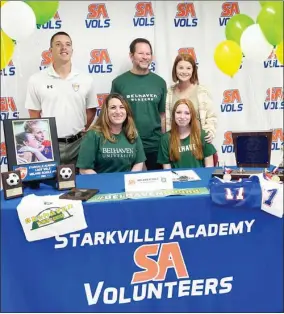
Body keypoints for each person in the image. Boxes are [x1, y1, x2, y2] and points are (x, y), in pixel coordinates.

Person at [24, 31, 97, 166]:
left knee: (80, 185)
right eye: (58, 44)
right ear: (50, 51)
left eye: (67, 44)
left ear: (72, 50)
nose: (64, 47)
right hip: (49, 146)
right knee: (50, 185)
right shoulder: (36, 80)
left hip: (79, 145)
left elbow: (91, 110)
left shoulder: (86, 79)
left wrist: (81, 129)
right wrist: (44, 139)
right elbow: (34, 115)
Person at [111, 38, 167, 170]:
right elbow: (113, 114)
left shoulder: (159, 82)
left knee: (158, 185)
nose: (145, 57)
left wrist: (165, 141)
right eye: (141, 53)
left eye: (148, 54)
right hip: (128, 143)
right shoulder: (119, 83)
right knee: (129, 186)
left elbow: (163, 115)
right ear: (131, 55)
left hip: (155, 145)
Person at [76, 93, 146, 174]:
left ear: (127, 111)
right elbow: (84, 169)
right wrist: (103, 183)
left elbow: (139, 162)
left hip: (127, 183)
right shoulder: (93, 135)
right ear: (106, 111)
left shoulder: (133, 133)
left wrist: (130, 180)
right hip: (101, 184)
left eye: (122, 107)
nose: (118, 111)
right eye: (113, 108)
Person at [166, 54, 217, 143]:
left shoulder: (202, 92)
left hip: (198, 142)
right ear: (175, 69)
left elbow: (211, 116)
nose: (184, 71)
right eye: (181, 68)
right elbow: (166, 119)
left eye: (188, 68)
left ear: (193, 70)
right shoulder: (169, 92)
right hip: (176, 143)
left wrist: (210, 131)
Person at [158, 99, 216, 169]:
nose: (182, 117)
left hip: (200, 178)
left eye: (187, 113)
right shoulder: (165, 139)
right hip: (176, 179)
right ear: (173, 114)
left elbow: (209, 167)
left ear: (192, 116)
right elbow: (167, 169)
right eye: (178, 112)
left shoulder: (203, 135)